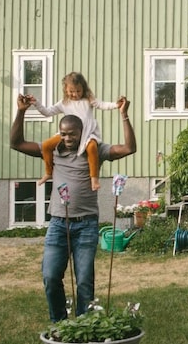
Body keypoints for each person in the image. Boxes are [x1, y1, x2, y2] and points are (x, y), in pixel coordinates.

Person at [10, 93, 136, 322]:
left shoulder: (94, 149)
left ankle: (84, 325)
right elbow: (16, 143)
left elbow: (128, 148)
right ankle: (60, 324)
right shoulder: (52, 150)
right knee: (50, 276)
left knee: (85, 280)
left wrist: (124, 115)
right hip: (58, 224)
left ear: (82, 133)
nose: (68, 139)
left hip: (86, 224)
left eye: (73, 134)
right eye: (64, 134)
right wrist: (21, 111)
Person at [29, 72, 122, 191]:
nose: (75, 94)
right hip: (68, 134)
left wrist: (116, 105)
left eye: (78, 91)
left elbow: (102, 105)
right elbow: (47, 112)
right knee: (46, 145)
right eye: (71, 91)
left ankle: (94, 178)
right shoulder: (64, 103)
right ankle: (48, 172)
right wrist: (36, 103)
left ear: (83, 89)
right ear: (66, 90)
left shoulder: (88, 100)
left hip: (87, 133)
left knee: (92, 147)